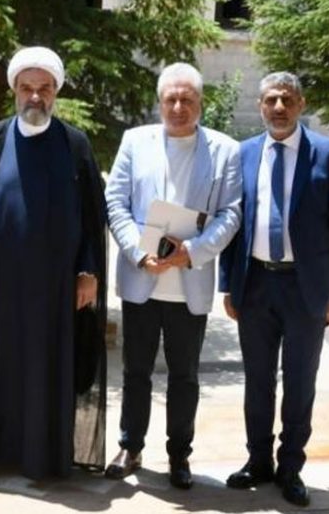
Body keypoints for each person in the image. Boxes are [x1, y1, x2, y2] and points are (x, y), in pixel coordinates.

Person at [0, 46, 108, 480]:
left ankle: (43, 457)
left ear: (56, 92)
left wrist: (88, 272)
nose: (35, 97)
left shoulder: (75, 144)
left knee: (47, 369)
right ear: (15, 91)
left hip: (55, 287)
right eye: (27, 88)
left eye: (44, 88)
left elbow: (91, 216)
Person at [220, 72, 329, 507]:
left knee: (300, 381)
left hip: (306, 289)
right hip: (256, 284)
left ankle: (290, 467)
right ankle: (258, 460)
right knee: (257, 380)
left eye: (287, 99)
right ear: (260, 105)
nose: (279, 107)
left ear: (301, 104)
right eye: (271, 100)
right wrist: (229, 285)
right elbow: (233, 223)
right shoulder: (243, 153)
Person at [103, 63, 242, 489]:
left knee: (184, 377)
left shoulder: (225, 150)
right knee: (135, 372)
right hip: (142, 279)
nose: (179, 107)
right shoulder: (134, 141)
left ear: (201, 102)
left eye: (187, 99)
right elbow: (116, 202)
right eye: (171, 99)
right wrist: (138, 251)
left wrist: (192, 252)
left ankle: (179, 455)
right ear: (159, 102)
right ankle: (130, 446)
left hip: (189, 283)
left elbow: (231, 213)